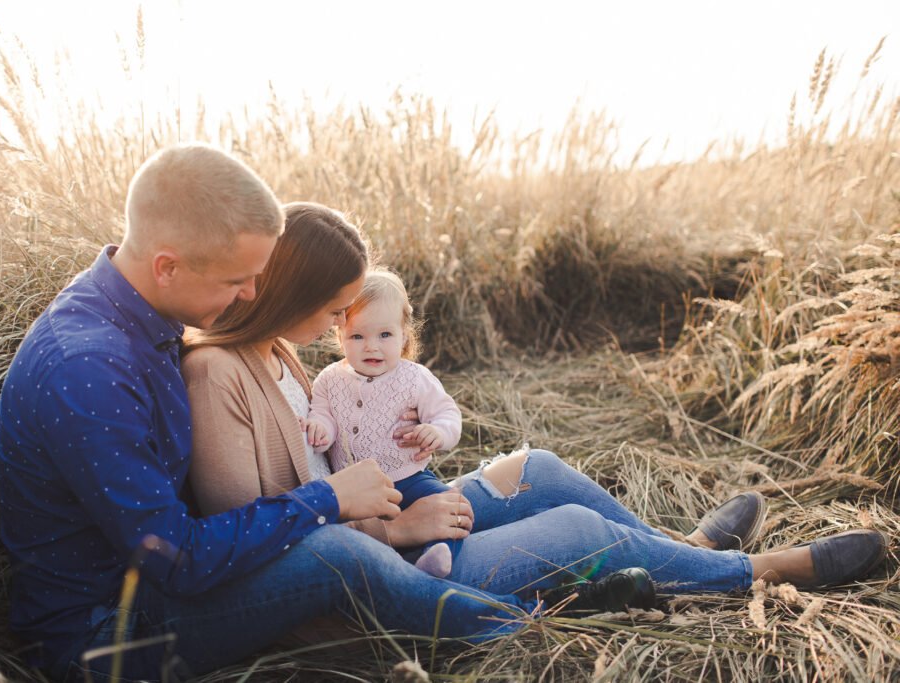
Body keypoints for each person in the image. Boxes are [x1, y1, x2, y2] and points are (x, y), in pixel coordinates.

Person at [0, 146, 652, 683]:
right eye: (237, 281)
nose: (252, 294)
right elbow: (177, 557)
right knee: (338, 553)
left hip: (186, 578)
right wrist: (332, 500)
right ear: (167, 266)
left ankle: (638, 570)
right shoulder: (89, 371)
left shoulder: (140, 313)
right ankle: (529, 620)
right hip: (113, 631)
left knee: (530, 475)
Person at [184, 200, 889, 649]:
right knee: (578, 532)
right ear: (297, 292)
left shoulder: (280, 351)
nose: (342, 323)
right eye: (336, 308)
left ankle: (678, 548)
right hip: (391, 565)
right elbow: (252, 542)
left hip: (394, 513)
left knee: (535, 469)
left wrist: (416, 460)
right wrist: (396, 530)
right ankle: (753, 571)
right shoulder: (217, 374)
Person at [303, 268, 461, 578]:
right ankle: (389, 560)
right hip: (355, 491)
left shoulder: (414, 378)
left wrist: (437, 432)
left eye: (385, 335)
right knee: (358, 531)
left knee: (449, 506)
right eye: (357, 336)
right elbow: (322, 414)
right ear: (340, 338)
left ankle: (436, 557)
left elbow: (448, 414)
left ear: (404, 336)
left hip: (408, 478)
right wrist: (321, 429)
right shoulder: (329, 380)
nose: (371, 346)